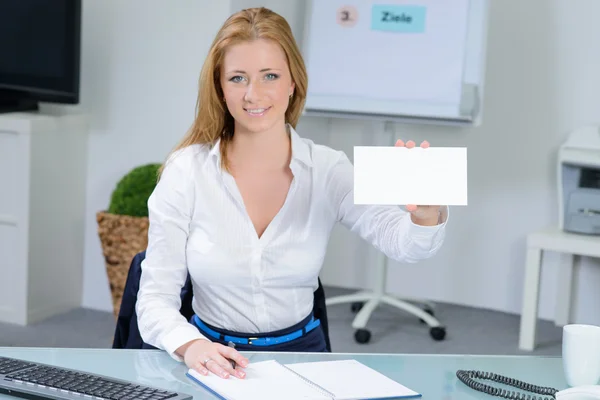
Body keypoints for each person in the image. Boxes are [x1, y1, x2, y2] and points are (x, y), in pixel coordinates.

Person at [136, 6, 449, 381]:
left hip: (304, 359)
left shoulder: (329, 169)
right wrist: (192, 346)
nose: (254, 94)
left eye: (270, 75)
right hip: (214, 360)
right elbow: (154, 300)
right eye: (238, 78)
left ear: (292, 82)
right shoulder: (186, 171)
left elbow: (406, 245)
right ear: (220, 87)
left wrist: (425, 213)